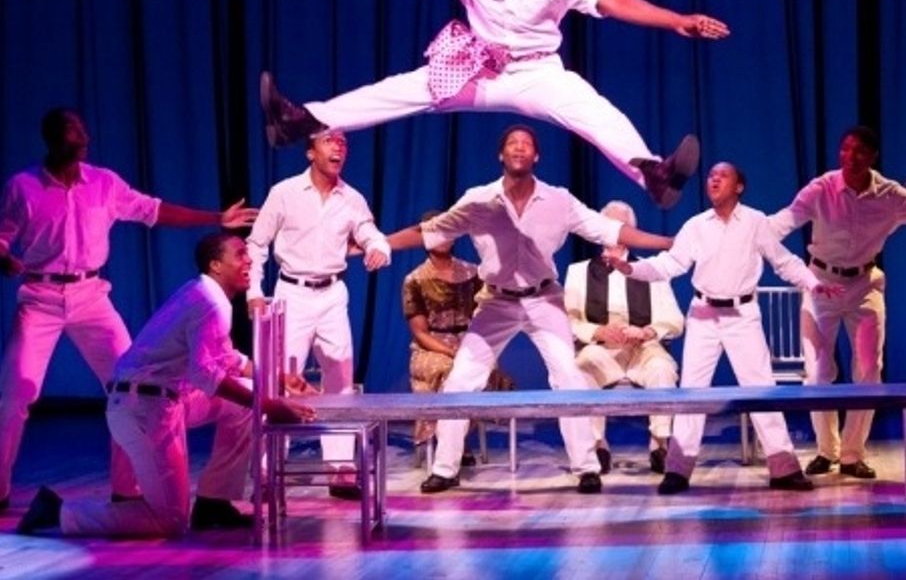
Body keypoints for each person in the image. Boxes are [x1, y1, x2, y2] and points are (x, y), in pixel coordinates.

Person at [261, 0, 732, 209]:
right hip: (479, 67)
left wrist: (676, 21)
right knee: (403, 89)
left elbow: (612, 1)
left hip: (537, 73)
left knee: (594, 110)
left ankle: (653, 174)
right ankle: (301, 121)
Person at [0, 108, 258, 518]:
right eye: (71, 130)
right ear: (51, 138)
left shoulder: (103, 183)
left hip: (90, 295)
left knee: (128, 382)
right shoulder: (23, 187)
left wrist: (216, 218)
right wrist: (2, 259)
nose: (81, 136)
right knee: (16, 393)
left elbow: (154, 210)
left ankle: (126, 489)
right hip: (40, 295)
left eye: (83, 131)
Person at [381, 124, 674, 494]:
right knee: (461, 379)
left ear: (536, 156)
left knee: (568, 375)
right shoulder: (478, 200)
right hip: (497, 301)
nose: (519, 147)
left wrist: (669, 241)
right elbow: (430, 231)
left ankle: (586, 466)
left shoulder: (558, 200)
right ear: (501, 155)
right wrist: (378, 243)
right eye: (511, 143)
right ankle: (445, 467)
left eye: (527, 144)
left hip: (543, 298)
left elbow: (611, 232)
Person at [14, 232, 316, 538]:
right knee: (170, 520)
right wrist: (270, 405)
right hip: (143, 409)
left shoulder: (201, 292)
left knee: (243, 403)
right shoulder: (211, 303)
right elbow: (206, 376)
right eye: (239, 254)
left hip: (165, 400)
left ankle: (213, 502)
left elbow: (224, 358)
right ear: (215, 265)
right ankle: (59, 513)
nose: (249, 259)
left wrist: (276, 378)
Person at [767, 126, 906, 480]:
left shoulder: (889, 195)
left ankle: (852, 454)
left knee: (869, 369)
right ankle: (827, 451)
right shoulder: (822, 188)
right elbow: (782, 222)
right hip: (821, 284)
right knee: (817, 373)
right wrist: (744, 234)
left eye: (858, 151)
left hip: (864, 284)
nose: (849, 158)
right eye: (844, 150)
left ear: (872, 157)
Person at [610, 162, 839, 495]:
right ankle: (678, 469)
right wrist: (630, 268)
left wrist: (813, 283)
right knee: (692, 393)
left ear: (739, 186)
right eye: (711, 175)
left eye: (723, 175)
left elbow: (784, 260)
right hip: (703, 313)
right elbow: (670, 264)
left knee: (761, 389)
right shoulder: (695, 225)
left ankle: (783, 466)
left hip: (743, 315)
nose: (714, 179)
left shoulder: (756, 222)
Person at [245, 129, 390, 500]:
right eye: (329, 141)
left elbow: (369, 231)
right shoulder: (285, 192)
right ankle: (265, 472)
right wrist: (255, 291)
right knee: (281, 380)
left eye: (343, 142)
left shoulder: (351, 197)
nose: (338, 146)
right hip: (291, 292)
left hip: (332, 294)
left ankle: (340, 472)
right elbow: (257, 243)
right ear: (311, 152)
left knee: (340, 378)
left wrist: (379, 248)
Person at [562, 200, 685, 474]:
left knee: (662, 369)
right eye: (610, 227)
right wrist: (597, 331)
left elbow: (675, 320)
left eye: (623, 228)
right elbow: (567, 320)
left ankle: (659, 443)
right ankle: (597, 446)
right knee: (581, 370)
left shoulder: (653, 269)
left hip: (643, 348)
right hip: (602, 349)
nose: (616, 234)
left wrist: (647, 331)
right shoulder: (579, 271)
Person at [404, 210, 515, 460]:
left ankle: (455, 441)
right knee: (446, 368)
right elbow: (420, 332)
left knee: (475, 368)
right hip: (431, 346)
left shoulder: (473, 273)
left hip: (470, 340)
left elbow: (487, 314)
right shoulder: (415, 280)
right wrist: (450, 351)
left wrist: (468, 346)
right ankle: (455, 444)